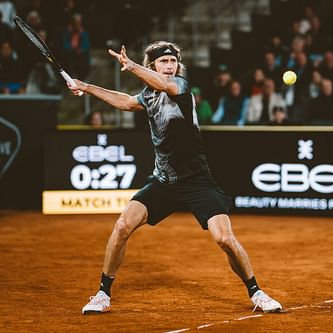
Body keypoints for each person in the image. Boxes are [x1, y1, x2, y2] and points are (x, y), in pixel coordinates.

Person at [68, 41, 282, 315]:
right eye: (163, 62)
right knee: (123, 225)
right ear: (154, 65)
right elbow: (124, 101)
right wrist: (86, 87)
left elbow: (165, 85)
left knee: (224, 239)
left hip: (197, 181)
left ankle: (257, 292)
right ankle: (102, 293)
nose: (170, 66)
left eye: (172, 62)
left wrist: (131, 66)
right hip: (163, 181)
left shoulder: (180, 86)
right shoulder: (148, 95)